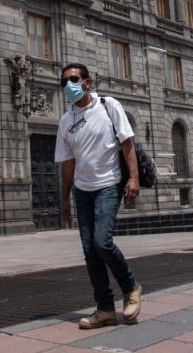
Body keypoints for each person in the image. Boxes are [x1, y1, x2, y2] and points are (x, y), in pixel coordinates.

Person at [55, 62, 142, 329]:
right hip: (82, 191)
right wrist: (64, 198)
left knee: (102, 243)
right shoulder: (66, 121)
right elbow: (67, 163)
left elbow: (127, 142)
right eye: (65, 81)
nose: (69, 84)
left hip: (108, 185)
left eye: (74, 79)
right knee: (90, 252)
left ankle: (131, 286)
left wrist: (134, 177)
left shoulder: (108, 105)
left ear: (87, 83)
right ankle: (104, 308)